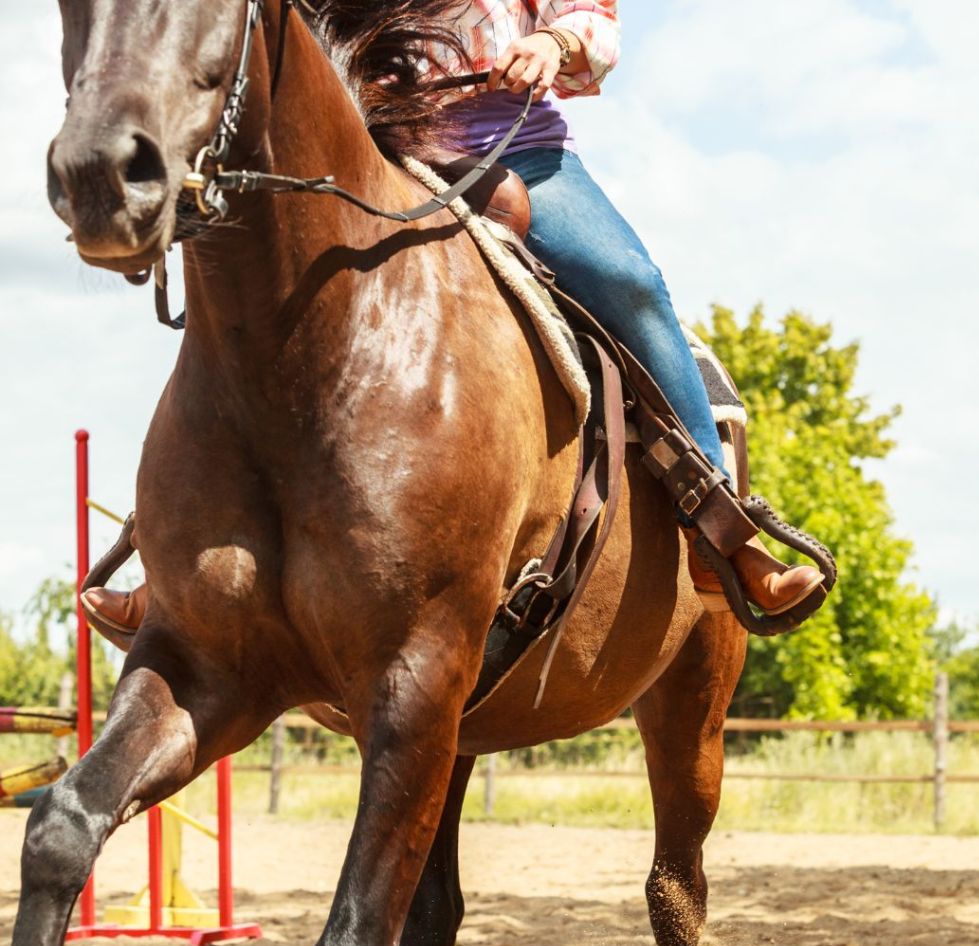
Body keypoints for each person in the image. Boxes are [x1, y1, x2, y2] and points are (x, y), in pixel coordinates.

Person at [81, 0, 822, 641]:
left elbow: (594, 21)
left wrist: (551, 46)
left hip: (517, 153)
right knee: (245, 308)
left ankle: (722, 533)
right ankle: (170, 570)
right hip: (361, 150)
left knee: (631, 285)